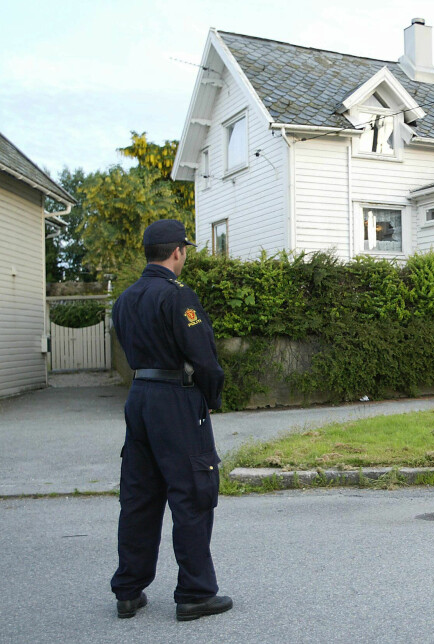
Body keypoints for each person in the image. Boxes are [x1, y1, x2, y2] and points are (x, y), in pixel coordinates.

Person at [110, 219, 232, 622]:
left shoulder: (125, 299)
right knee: (193, 493)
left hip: (139, 397)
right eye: (185, 250)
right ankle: (195, 593)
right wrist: (210, 399)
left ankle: (128, 590)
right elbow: (204, 358)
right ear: (178, 251)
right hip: (175, 400)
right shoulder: (179, 298)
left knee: (139, 496)